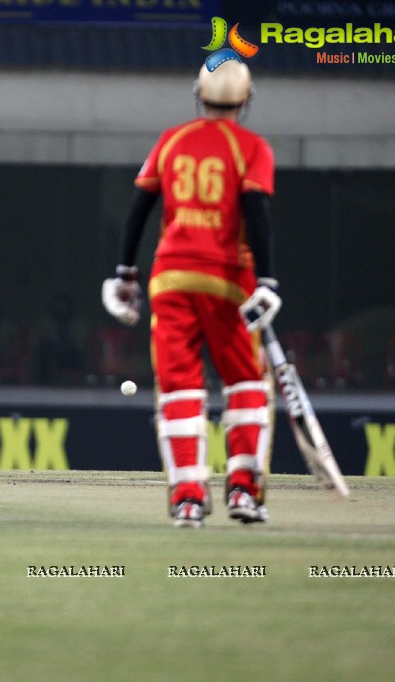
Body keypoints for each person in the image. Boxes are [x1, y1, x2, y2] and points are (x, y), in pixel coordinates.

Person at [101, 57, 281, 528]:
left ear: (198, 96)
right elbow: (256, 215)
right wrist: (267, 281)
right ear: (246, 101)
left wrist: (125, 273)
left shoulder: (172, 140)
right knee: (245, 383)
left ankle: (187, 499)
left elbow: (138, 209)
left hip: (171, 277)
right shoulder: (252, 148)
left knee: (180, 388)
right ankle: (242, 492)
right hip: (229, 280)